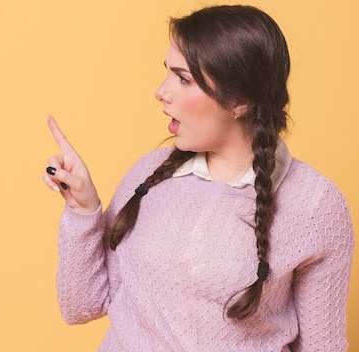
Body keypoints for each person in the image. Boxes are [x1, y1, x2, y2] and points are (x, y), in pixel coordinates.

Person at [42, 5, 354, 351]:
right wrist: (83, 210)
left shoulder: (315, 205)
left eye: (183, 78)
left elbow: (323, 347)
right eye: (168, 73)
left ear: (240, 100)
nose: (161, 92)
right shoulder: (149, 176)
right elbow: (81, 306)